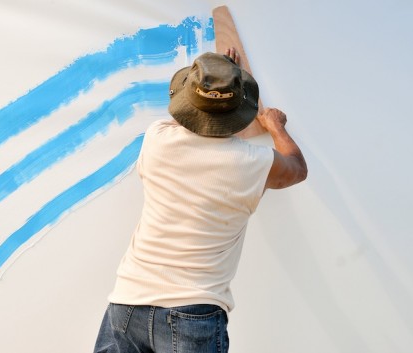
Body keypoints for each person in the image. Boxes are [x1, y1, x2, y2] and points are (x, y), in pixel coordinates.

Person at [93, 47, 307, 353]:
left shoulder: (157, 139)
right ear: (239, 109)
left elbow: (185, 119)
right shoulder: (253, 163)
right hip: (191, 313)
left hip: (128, 303)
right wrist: (275, 126)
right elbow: (297, 169)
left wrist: (214, 86)